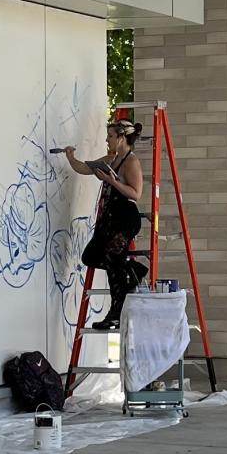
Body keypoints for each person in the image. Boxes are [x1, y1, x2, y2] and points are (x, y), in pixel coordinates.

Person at [63, 120, 147, 329]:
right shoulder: (111, 159)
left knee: (112, 259)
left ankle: (116, 311)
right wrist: (71, 157)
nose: (107, 140)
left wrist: (111, 181)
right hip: (110, 217)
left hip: (125, 216)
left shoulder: (131, 162)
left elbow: (136, 194)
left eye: (110, 136)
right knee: (90, 256)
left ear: (121, 137)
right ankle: (134, 270)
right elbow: (84, 168)